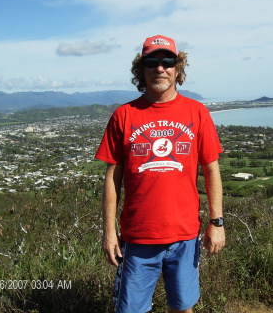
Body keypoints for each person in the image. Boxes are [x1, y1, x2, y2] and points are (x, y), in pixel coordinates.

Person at [95, 34, 225, 313]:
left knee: (183, 307)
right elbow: (112, 178)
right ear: (141, 70)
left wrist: (217, 222)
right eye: (151, 61)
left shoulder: (197, 112)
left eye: (167, 61)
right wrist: (108, 232)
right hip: (138, 237)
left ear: (178, 68)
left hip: (185, 235)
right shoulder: (124, 115)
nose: (159, 68)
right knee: (131, 309)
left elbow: (211, 170)